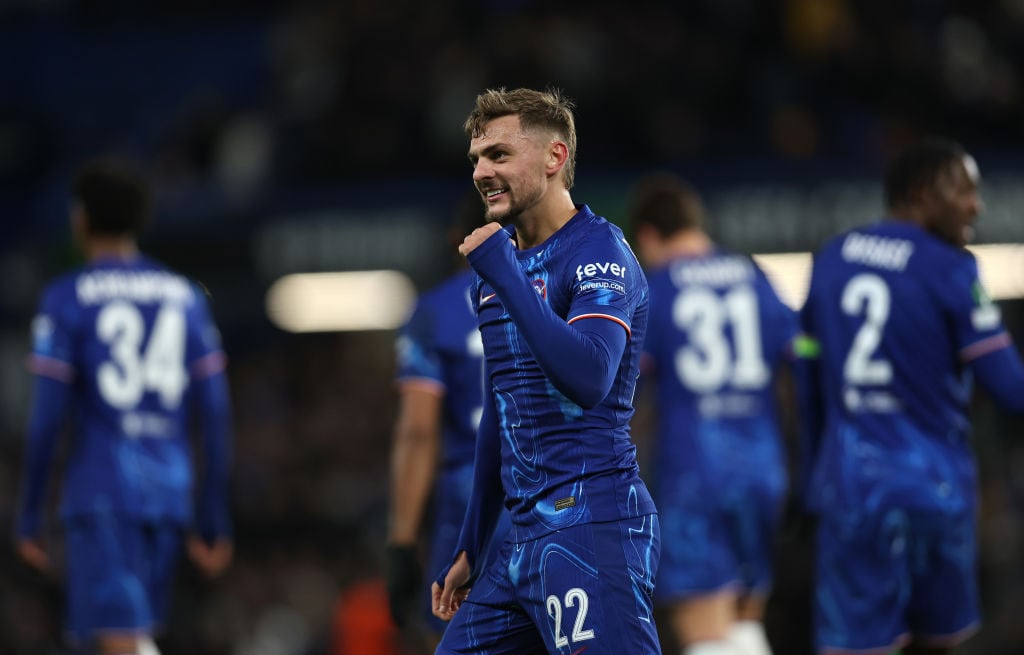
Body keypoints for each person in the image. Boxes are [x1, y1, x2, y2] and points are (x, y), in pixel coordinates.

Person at [430, 87, 661, 654]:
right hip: (517, 540)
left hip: (593, 523)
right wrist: (472, 541)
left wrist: (506, 276)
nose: (482, 171)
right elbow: (499, 411)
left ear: (555, 158)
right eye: (478, 159)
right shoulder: (496, 269)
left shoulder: (599, 252)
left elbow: (589, 376)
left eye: (500, 155)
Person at [799, 137, 1024, 654]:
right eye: (963, 188)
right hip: (935, 488)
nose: (976, 204)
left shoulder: (831, 259)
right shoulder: (951, 267)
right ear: (922, 190)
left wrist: (812, 479)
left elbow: (808, 382)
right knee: (938, 643)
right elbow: (1010, 388)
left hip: (852, 489)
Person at [14, 156, 234, 655]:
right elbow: (216, 413)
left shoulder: (66, 297)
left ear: (81, 219)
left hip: (103, 488)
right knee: (136, 634)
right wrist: (213, 513)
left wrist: (29, 512)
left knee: (119, 639)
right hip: (169, 492)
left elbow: (46, 416)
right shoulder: (184, 296)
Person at [629, 173, 803, 655]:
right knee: (745, 624)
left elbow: (628, 392)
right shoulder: (755, 276)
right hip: (762, 468)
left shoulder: (656, 289)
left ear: (647, 235)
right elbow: (799, 360)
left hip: (695, 471)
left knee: (704, 628)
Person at [386, 191, 510, 650]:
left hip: (470, 502)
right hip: (548, 495)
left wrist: (401, 540)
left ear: (457, 240)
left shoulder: (434, 311)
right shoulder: (548, 292)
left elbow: (419, 432)